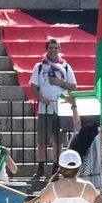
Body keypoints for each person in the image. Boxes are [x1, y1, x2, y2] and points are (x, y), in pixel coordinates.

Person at [30, 38, 77, 175]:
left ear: (59, 49)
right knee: (42, 140)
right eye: (50, 48)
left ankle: (56, 165)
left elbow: (73, 86)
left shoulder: (66, 67)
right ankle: (41, 167)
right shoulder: (39, 67)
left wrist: (60, 83)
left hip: (60, 108)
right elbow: (33, 88)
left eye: (55, 48)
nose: (53, 50)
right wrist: (42, 99)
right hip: (45, 108)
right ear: (46, 49)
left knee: (59, 140)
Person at [34, 149, 101, 203]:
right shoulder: (88, 187)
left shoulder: (51, 187)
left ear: (60, 168)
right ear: (79, 168)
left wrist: (43, 195)